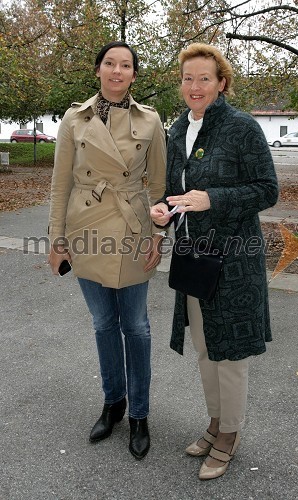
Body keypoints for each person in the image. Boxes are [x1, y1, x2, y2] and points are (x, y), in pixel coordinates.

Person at [150, 43, 278, 480]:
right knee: (206, 349)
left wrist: (214, 199)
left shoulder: (242, 128)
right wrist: (162, 211)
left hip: (234, 261)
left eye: (205, 78)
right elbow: (172, 190)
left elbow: (267, 189)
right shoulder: (176, 129)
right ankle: (215, 422)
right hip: (193, 257)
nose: (195, 86)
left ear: (222, 83)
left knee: (231, 353)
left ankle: (230, 434)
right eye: (188, 78)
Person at [48, 41, 166, 460]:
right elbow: (60, 183)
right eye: (110, 64)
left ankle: (140, 415)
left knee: (135, 327)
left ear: (134, 74)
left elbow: (158, 186)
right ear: (98, 70)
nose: (117, 71)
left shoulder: (151, 120)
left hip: (133, 228)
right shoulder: (74, 119)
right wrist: (56, 237)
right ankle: (113, 404)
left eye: (126, 65)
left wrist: (157, 234)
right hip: (87, 229)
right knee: (102, 323)